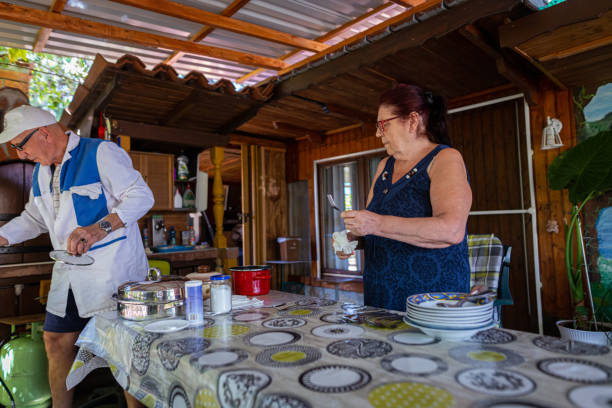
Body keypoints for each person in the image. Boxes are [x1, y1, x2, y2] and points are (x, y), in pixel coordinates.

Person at [0, 105, 154, 408]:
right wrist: (3, 236)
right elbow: (34, 218)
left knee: (122, 349)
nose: (19, 154)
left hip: (111, 274)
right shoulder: (41, 174)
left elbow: (142, 196)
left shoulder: (101, 153)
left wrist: (98, 229)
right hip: (68, 275)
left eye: (19, 145)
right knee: (56, 341)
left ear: (43, 133)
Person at [335, 84, 472, 311]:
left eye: (382, 125)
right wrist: (350, 240)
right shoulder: (384, 167)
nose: (378, 133)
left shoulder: (445, 158)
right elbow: (375, 231)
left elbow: (452, 230)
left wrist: (375, 223)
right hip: (380, 297)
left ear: (412, 121)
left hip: (431, 302)